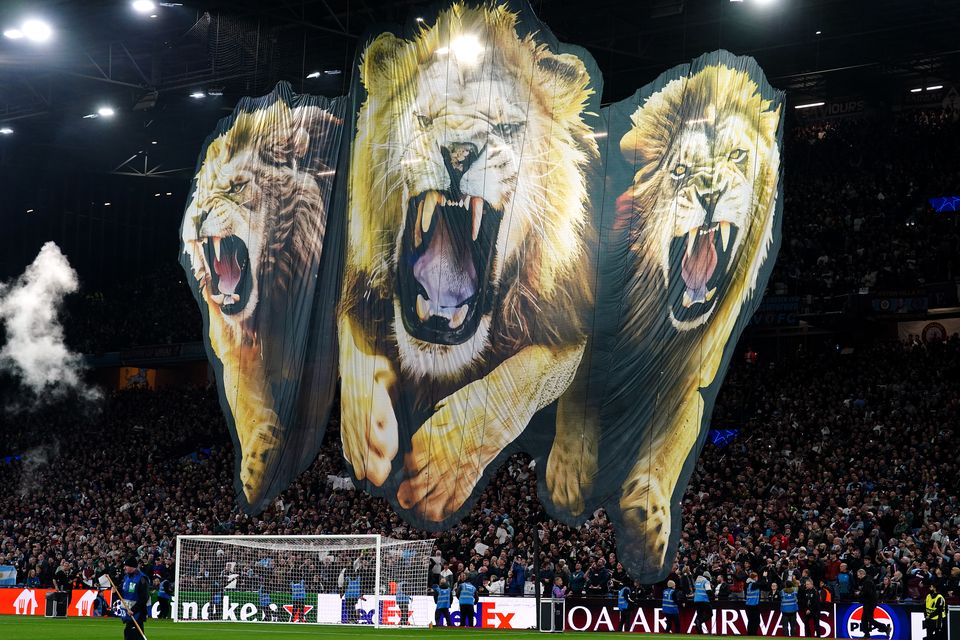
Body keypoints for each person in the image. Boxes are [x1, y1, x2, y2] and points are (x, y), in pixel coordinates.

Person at [118, 557, 149, 640]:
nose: (124, 568)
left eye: (126, 566)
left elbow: (144, 598)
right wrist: (116, 590)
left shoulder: (142, 579)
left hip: (137, 613)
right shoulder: (126, 577)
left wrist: (133, 609)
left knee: (131, 634)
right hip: (128, 613)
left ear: (132, 566)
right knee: (131, 634)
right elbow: (123, 593)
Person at [856, 569, 891, 640]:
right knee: (864, 619)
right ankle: (866, 635)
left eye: (858, 575)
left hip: (870, 603)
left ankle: (885, 628)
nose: (858, 576)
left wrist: (859, 594)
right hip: (868, 602)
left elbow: (867, 593)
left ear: (862, 574)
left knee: (869, 619)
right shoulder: (866, 580)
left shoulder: (867, 582)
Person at [744, 572, 763, 636]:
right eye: (756, 577)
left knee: (751, 621)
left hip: (748, 605)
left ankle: (750, 633)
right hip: (754, 605)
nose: (757, 578)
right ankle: (753, 634)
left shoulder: (748, 584)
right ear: (754, 578)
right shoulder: (754, 585)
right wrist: (764, 576)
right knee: (756, 621)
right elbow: (763, 583)